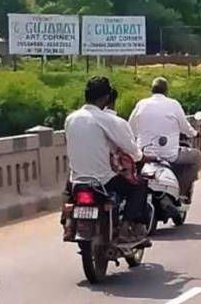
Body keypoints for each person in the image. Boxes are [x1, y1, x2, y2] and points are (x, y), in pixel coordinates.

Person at [64, 77, 149, 244]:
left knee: (67, 193)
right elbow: (130, 149)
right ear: (104, 98)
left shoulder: (70, 119)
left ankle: (68, 222)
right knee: (139, 186)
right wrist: (140, 156)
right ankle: (125, 228)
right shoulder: (106, 120)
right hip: (103, 181)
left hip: (77, 179)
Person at [129, 77, 201, 204]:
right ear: (166, 91)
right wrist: (195, 133)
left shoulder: (141, 104)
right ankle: (182, 192)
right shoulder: (173, 104)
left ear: (152, 90)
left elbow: (131, 128)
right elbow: (185, 127)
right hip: (169, 154)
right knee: (196, 156)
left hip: (144, 153)